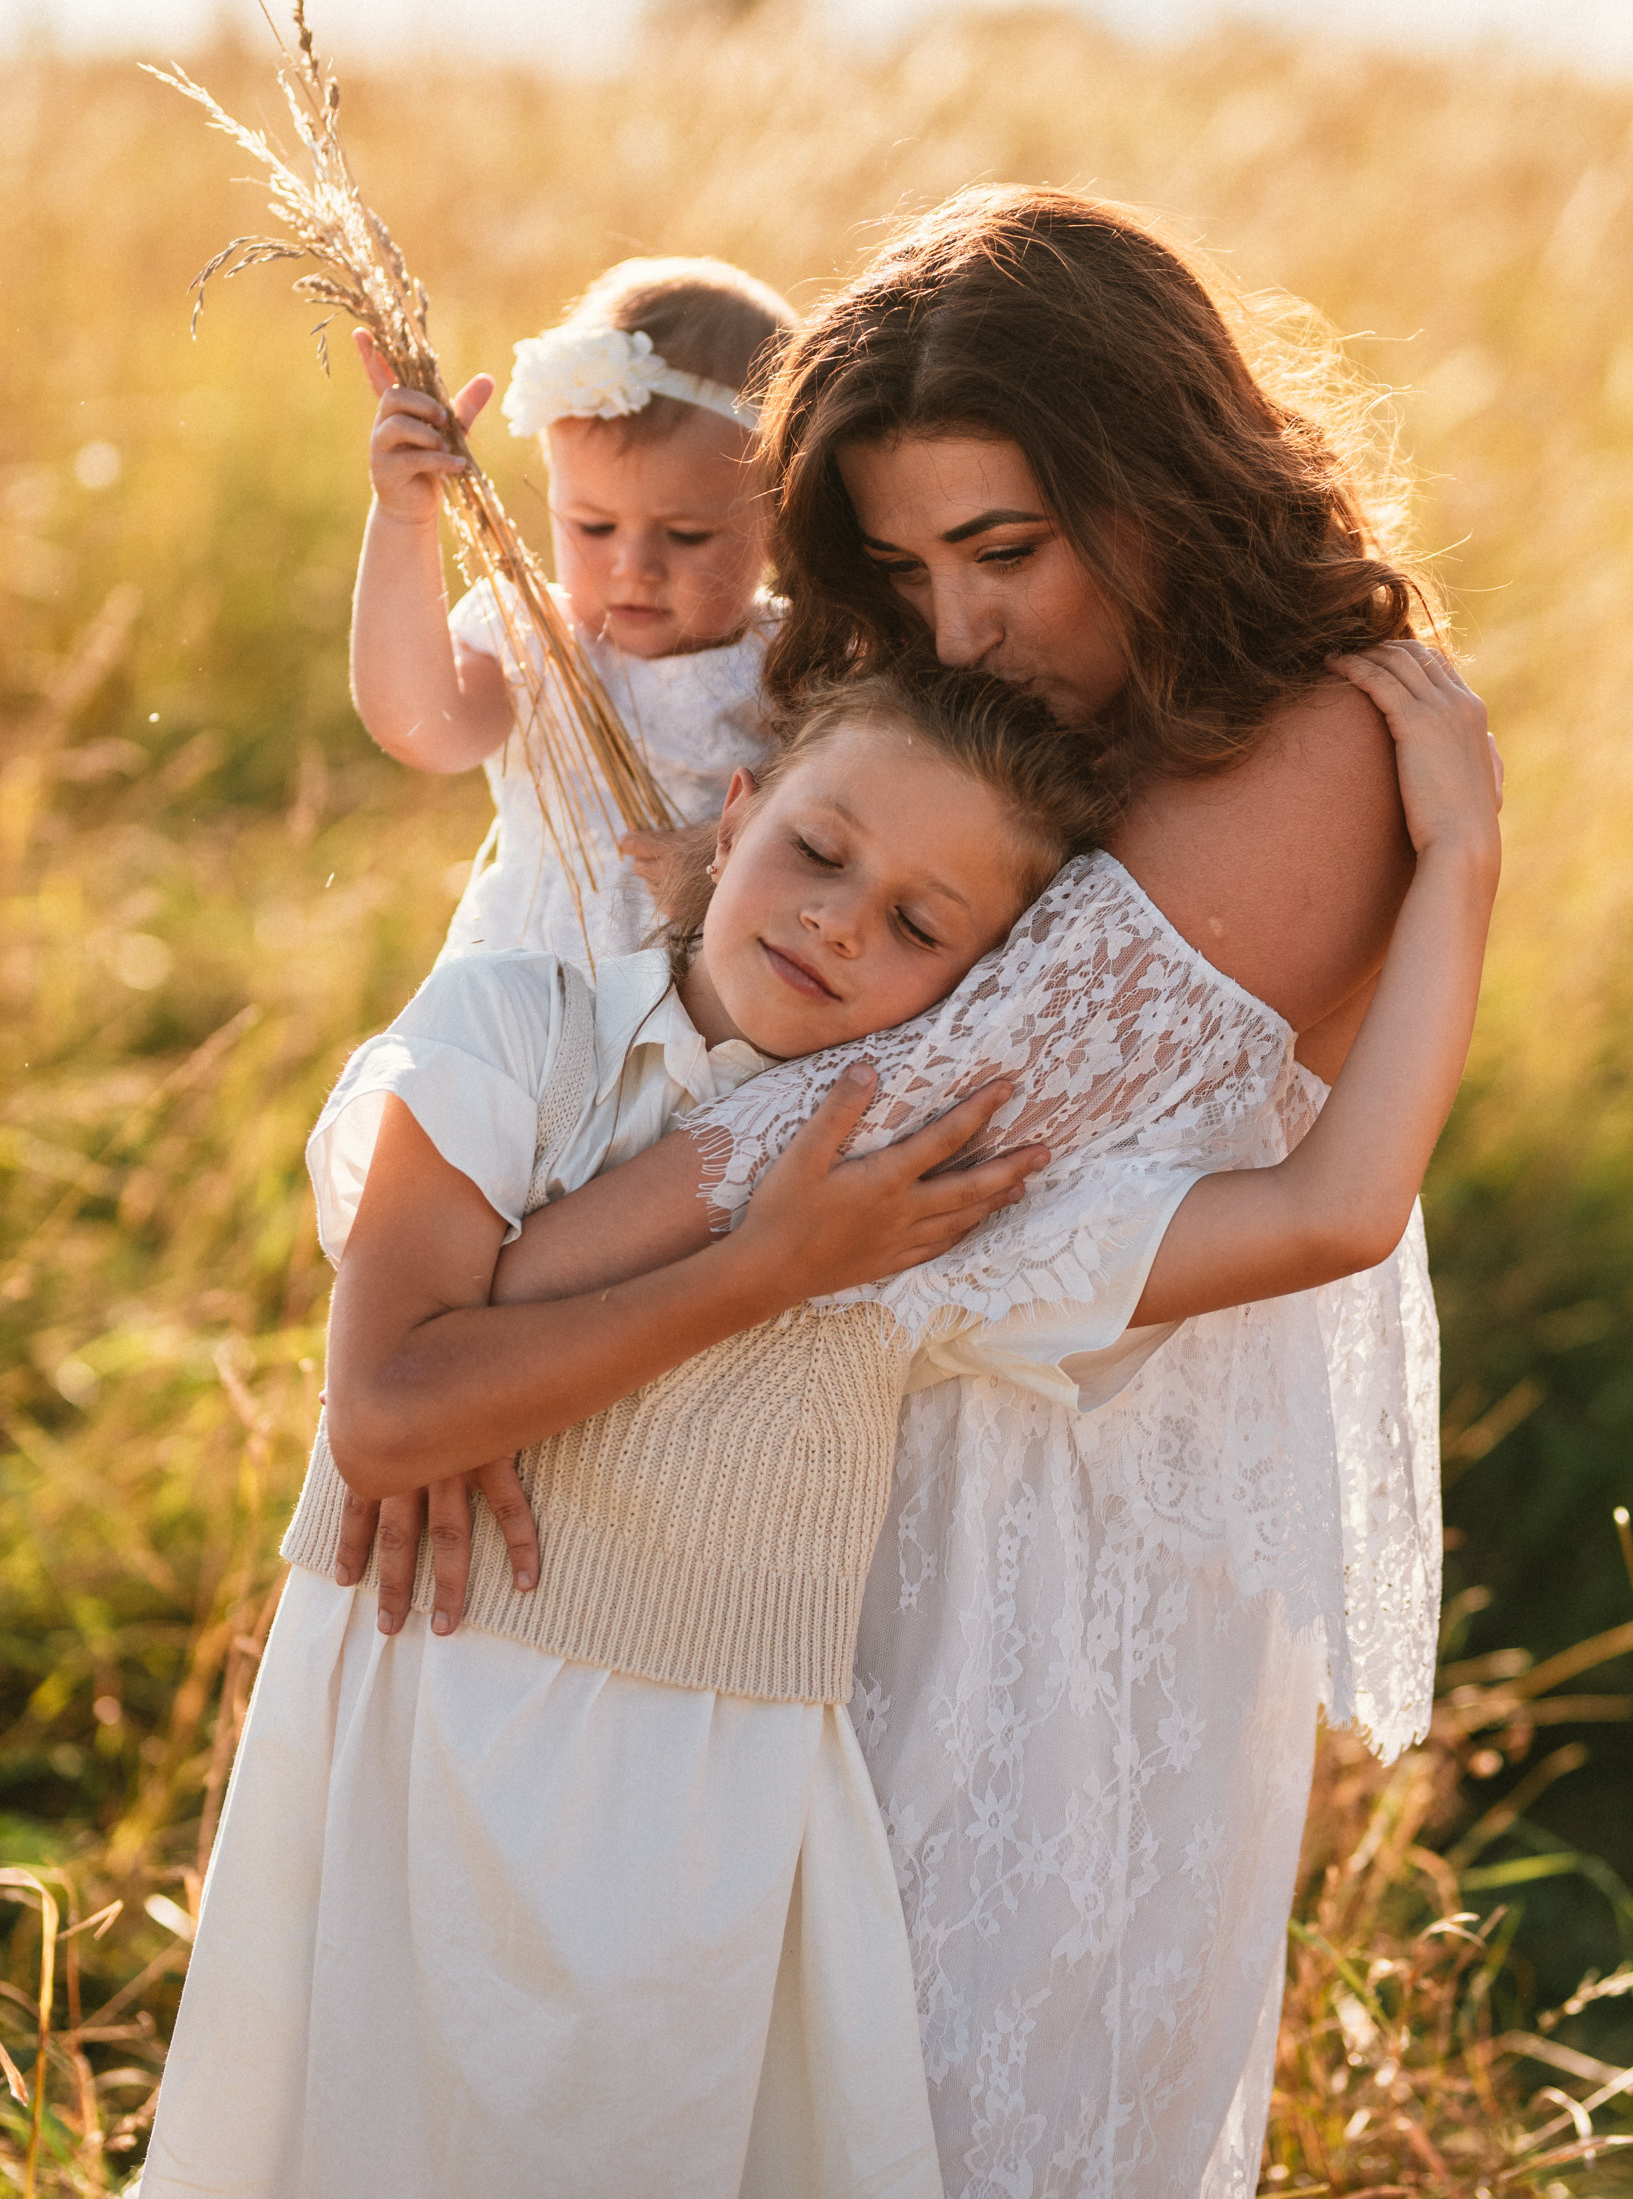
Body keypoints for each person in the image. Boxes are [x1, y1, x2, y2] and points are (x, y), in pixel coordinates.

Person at [368, 189, 1477, 2196]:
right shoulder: (1001, 720)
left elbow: (861, 1132)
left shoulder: (1317, 741)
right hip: (824, 1499)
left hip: (1054, 1569)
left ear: (1156, 474)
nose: (959, 628)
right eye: (902, 566)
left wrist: (470, 1310)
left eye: (1004, 550)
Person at [140, 636, 1496, 2199]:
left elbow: (1335, 1211)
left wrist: (1457, 865)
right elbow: (386, 1414)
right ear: (734, 820)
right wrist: (760, 1270)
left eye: (919, 924)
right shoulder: (515, 1028)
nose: (839, 921)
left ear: (976, 991)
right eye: (817, 849)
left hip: (699, 1843)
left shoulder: (915, 1212)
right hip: (417, 1747)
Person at [350, 253, 796, 967]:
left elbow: (843, 818)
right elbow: (422, 729)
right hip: (533, 981)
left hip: (705, 999)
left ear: (776, 520)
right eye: (593, 526)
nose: (633, 565)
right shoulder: (535, 643)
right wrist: (405, 520)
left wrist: (733, 850)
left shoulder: (793, 663)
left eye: (687, 534)